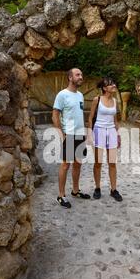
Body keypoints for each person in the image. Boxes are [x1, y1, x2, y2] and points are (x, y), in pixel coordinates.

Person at [52, 68, 90, 208]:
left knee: (78, 163)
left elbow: (78, 115)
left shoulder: (80, 95)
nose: (81, 76)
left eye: (81, 74)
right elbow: (55, 115)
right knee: (65, 164)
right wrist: (61, 134)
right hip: (69, 135)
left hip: (80, 135)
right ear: (70, 77)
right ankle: (61, 195)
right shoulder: (62, 95)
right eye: (77, 74)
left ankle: (75, 190)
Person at [88, 77, 123, 202]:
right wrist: (89, 133)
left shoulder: (114, 101)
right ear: (104, 88)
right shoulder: (97, 100)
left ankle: (113, 190)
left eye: (114, 83)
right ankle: (97, 188)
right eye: (110, 84)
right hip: (99, 131)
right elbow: (91, 117)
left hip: (112, 132)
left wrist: (118, 134)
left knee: (112, 163)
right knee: (98, 163)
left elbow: (115, 120)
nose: (114, 85)